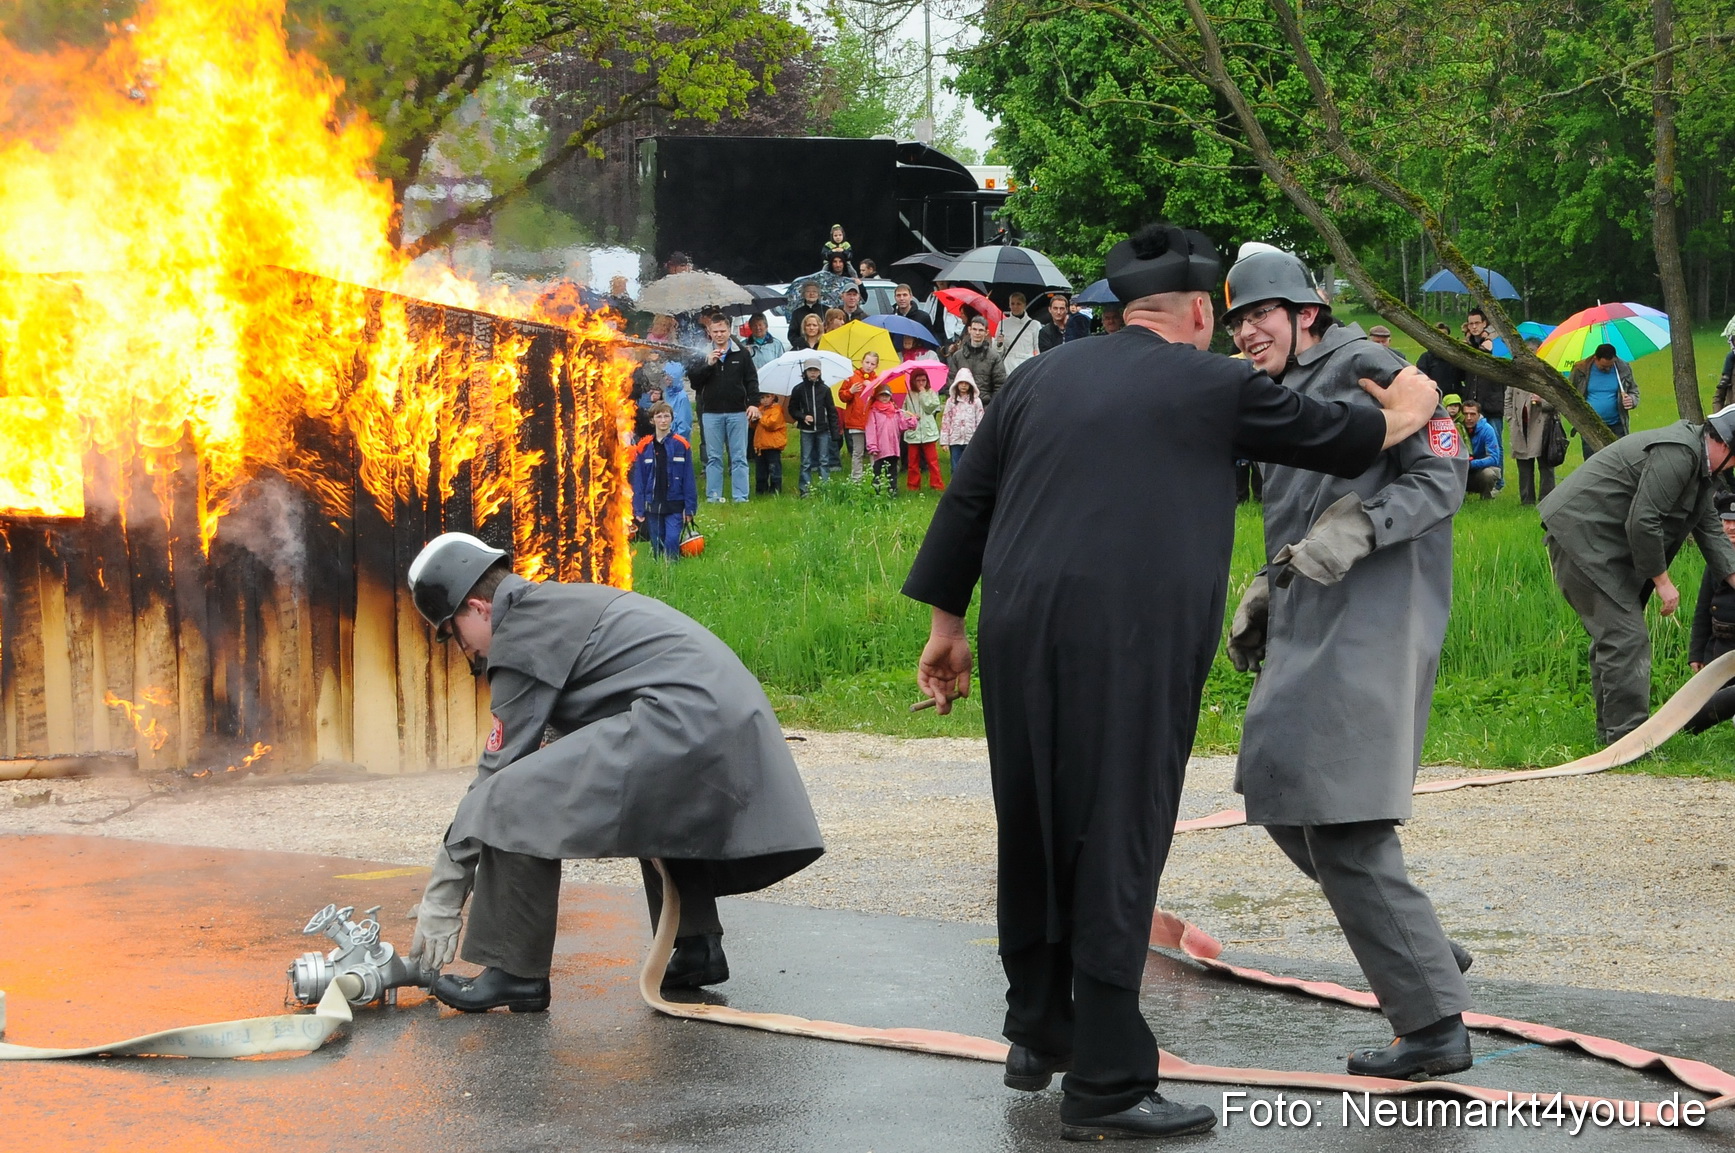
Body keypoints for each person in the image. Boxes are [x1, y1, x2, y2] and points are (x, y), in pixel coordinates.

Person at [903, 222, 1443, 1142]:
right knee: (1119, 830)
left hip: (1018, 627)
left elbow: (967, 502)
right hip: (1130, 635)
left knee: (1034, 819)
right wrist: (1412, 400)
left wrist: (945, 628)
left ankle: (1038, 1030)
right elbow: (1343, 435)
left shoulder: (1039, 376)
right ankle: (1108, 1085)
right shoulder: (1213, 382)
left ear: (1122, 308)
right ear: (1200, 309)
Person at [1220, 243, 1473, 1087]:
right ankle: (1420, 948)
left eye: (1260, 314)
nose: (1247, 331)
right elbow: (1291, 509)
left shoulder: (1369, 363)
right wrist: (1265, 584)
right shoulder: (1275, 390)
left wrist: (1360, 526)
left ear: (1306, 313)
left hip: (1370, 618)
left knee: (1343, 821)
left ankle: (1432, 1025)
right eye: (1237, 319)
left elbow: (1442, 471)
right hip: (1306, 614)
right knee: (1281, 792)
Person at [403, 533, 824, 1011]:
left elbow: (498, 772)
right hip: (717, 721)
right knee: (640, 789)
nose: (462, 651)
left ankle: (511, 970)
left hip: (681, 722)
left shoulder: (518, 632)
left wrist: (442, 897)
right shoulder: (556, 605)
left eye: (450, 633)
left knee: (511, 795)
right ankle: (694, 948)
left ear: (479, 608)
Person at [1540, 407, 1735, 745]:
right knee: (1625, 638)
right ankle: (1630, 741)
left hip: (1605, 546)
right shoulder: (1678, 453)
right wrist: (1662, 582)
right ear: (1724, 443)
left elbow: (1710, 533)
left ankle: (1613, 739)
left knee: (1616, 638)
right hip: (1582, 539)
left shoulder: (1701, 470)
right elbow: (1644, 520)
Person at [689, 315, 762, 503]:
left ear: (729, 331)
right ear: (709, 333)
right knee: (714, 457)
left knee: (739, 457)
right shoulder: (702, 354)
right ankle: (713, 496)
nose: (719, 335)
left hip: (737, 412)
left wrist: (753, 403)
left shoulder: (741, 353)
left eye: (723, 331)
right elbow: (695, 383)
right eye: (715, 332)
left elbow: (752, 380)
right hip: (711, 413)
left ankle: (740, 497)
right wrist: (708, 365)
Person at [1686, 491, 1735, 733]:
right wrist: (1697, 653)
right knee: (1704, 711)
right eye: (1726, 521)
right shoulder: (1715, 560)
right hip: (1719, 647)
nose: (1731, 527)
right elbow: (1703, 609)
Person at [629, 403, 697, 559]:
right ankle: (660, 575)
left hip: (675, 504)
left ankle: (672, 572)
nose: (663, 420)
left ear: (672, 419)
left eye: (666, 416)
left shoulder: (682, 444)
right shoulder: (644, 447)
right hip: (653, 505)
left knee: (672, 540)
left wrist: (690, 508)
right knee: (657, 543)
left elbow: (689, 479)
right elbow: (639, 480)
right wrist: (638, 507)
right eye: (659, 416)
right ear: (652, 420)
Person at [1505, 350, 1558, 505]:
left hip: (1543, 428)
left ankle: (1547, 499)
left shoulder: (1548, 375)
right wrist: (1510, 418)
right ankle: (1527, 501)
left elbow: (1557, 402)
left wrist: (1542, 401)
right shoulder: (1515, 377)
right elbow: (1507, 399)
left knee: (1546, 466)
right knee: (1524, 466)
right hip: (1521, 427)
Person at [1569, 343, 1639, 457]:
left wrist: (1631, 400)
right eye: (1603, 366)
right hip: (1590, 425)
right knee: (1592, 462)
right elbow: (1570, 391)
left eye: (1610, 366)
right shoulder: (1580, 369)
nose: (1607, 369)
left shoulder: (1623, 368)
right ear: (1596, 358)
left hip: (1616, 425)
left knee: (1618, 460)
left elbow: (1634, 391)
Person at [787, 357, 841, 495]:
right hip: (806, 430)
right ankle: (805, 489)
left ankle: (825, 488)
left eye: (815, 370)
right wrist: (803, 416)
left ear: (820, 372)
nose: (813, 373)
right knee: (806, 461)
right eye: (810, 370)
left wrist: (835, 433)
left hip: (823, 429)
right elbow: (792, 409)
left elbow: (831, 411)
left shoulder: (825, 389)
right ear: (805, 372)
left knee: (824, 459)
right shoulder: (798, 389)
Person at [1460, 309, 1505, 473]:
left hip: (1492, 403)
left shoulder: (1496, 344)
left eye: (1477, 323)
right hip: (1472, 404)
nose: (1474, 327)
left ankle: (1498, 481)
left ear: (1484, 323)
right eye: (1470, 323)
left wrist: (1489, 348)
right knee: (1471, 444)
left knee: (1496, 444)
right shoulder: (1467, 345)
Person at [864, 381, 915, 495]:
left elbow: (902, 425)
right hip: (880, 448)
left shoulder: (896, 411)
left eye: (887, 395)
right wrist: (872, 445)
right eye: (882, 395)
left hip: (893, 447)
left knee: (892, 470)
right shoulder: (873, 411)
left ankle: (892, 490)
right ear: (877, 396)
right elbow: (871, 429)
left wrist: (912, 420)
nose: (884, 398)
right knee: (878, 470)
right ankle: (876, 490)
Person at [837, 352, 881, 481]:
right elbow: (842, 396)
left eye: (872, 364)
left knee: (873, 450)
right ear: (862, 362)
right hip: (855, 420)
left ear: (876, 366)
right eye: (867, 362)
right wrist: (850, 392)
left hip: (872, 421)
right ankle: (856, 478)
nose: (869, 366)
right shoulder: (851, 377)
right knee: (858, 451)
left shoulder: (877, 380)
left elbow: (881, 398)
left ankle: (875, 477)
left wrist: (872, 388)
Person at [947, 315, 1009, 404]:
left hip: (985, 406)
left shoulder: (994, 357)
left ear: (986, 332)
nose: (977, 333)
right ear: (969, 330)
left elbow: (1000, 386)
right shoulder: (957, 356)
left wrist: (991, 407)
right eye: (974, 329)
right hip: (961, 406)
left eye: (980, 330)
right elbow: (951, 382)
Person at [902, 368, 945, 492]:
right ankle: (913, 486)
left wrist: (923, 393)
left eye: (924, 380)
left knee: (932, 461)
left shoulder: (931, 392)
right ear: (913, 381)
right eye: (918, 380)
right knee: (912, 463)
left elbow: (930, 408)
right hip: (913, 432)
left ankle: (937, 485)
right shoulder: (908, 394)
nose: (921, 383)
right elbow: (903, 412)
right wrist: (911, 417)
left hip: (928, 432)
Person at [940, 368, 984, 473]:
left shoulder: (976, 401)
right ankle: (955, 488)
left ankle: (968, 487)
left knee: (970, 466)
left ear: (971, 384)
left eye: (966, 383)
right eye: (961, 383)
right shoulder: (951, 401)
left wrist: (980, 440)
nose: (963, 385)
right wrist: (944, 441)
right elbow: (946, 420)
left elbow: (981, 421)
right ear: (956, 384)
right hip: (955, 439)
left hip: (970, 439)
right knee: (955, 467)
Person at [1461, 399, 1502, 498]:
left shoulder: (1487, 429)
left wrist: (1471, 464)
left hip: (1479, 469)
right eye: (1465, 414)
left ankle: (1486, 498)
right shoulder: (1457, 427)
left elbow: (1494, 458)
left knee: (1488, 474)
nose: (1469, 418)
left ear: (1479, 415)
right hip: (1459, 468)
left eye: (1472, 414)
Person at [995, 292, 1044, 373]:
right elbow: (997, 353)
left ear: (1024, 305)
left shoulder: (1034, 325)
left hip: (1027, 366)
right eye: (1012, 303)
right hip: (1008, 367)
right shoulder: (1003, 324)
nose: (1015, 306)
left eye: (1018, 304)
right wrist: (999, 344)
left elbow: (1038, 348)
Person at [751, 387, 788, 495]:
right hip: (760, 446)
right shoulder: (760, 409)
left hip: (773, 446)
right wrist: (753, 420)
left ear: (773, 397)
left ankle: (775, 490)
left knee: (774, 469)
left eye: (768, 397)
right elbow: (754, 426)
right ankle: (760, 490)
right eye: (762, 397)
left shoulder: (777, 410)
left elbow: (771, 424)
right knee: (760, 471)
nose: (765, 400)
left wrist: (760, 417)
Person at [1415, 322, 1464, 397]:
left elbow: (1462, 377)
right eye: (1438, 335)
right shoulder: (1426, 358)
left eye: (1444, 335)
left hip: (1453, 400)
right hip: (1434, 397)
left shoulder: (1455, 357)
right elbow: (1421, 380)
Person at [788, 282, 827, 348]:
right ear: (803, 294)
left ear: (818, 294)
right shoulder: (797, 313)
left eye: (814, 291)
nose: (811, 294)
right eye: (808, 291)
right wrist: (801, 343)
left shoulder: (826, 310)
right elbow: (792, 334)